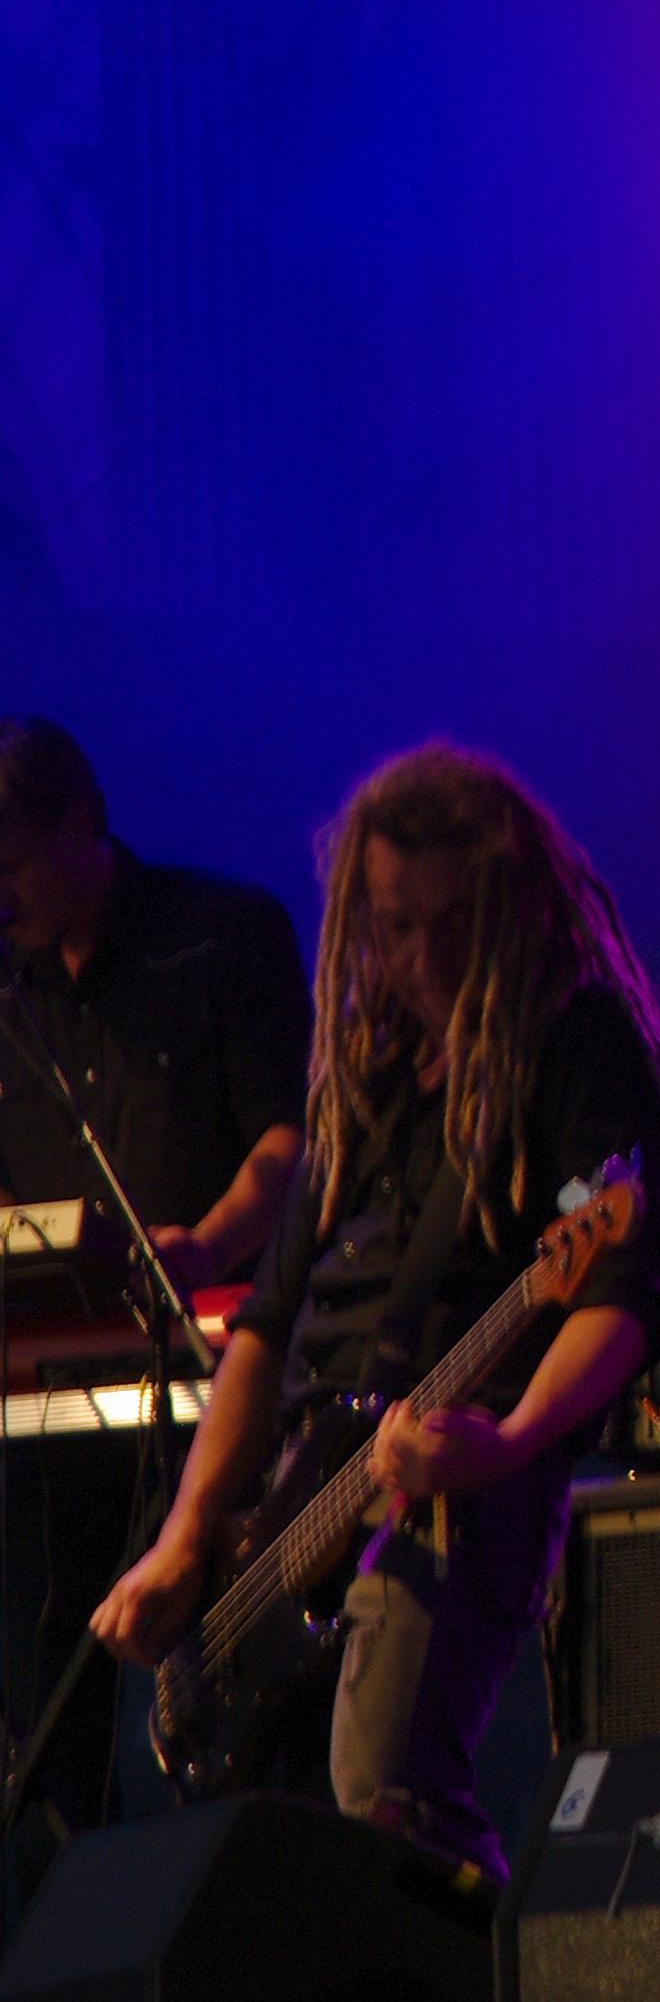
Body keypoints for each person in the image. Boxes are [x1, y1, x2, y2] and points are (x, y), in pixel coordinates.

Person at [93, 744, 660, 1876]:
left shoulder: (574, 1048)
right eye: (394, 925)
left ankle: (496, 1986)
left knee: (390, 1807)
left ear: (510, 906)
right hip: (290, 1511)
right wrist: (185, 1540)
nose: (422, 958)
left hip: (451, 1487)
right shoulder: (366, 1073)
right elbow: (266, 1327)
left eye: (452, 923)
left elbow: (617, 1300)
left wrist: (507, 1439)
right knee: (274, 1869)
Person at [0, 717, 311, 1840]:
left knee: (229, 1695)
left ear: (84, 821)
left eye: (11, 861)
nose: (0, 895)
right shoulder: (8, 985)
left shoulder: (219, 934)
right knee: (48, 1695)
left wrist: (208, 1245)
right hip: (45, 1390)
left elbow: (293, 1140)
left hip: (215, 1360)